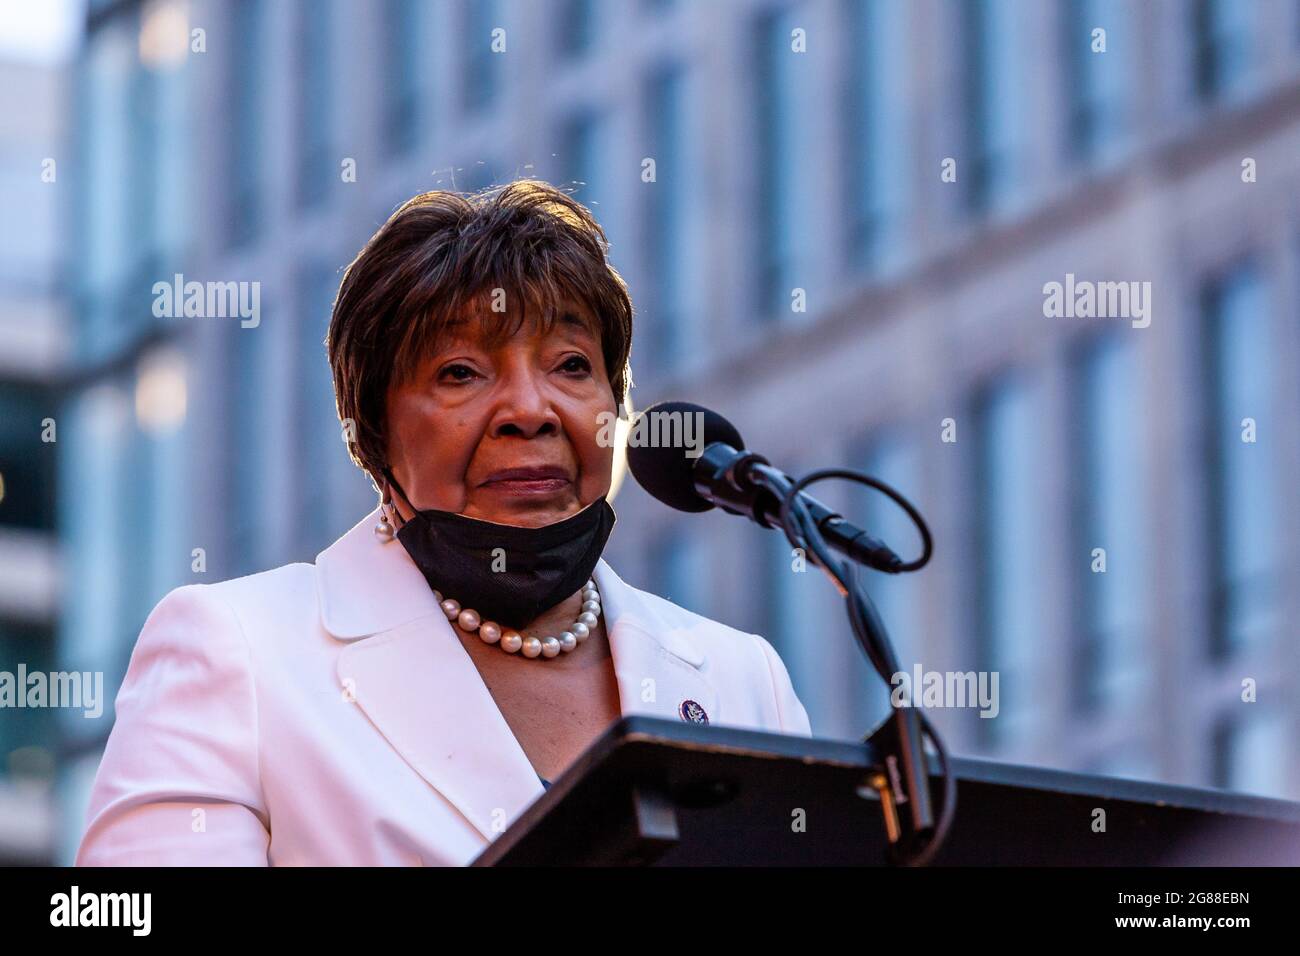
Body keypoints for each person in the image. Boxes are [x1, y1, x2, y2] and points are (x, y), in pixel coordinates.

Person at [76, 180, 811, 866]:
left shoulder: (743, 682)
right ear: (372, 434)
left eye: (571, 364)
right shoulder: (238, 654)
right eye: (460, 372)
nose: (531, 409)